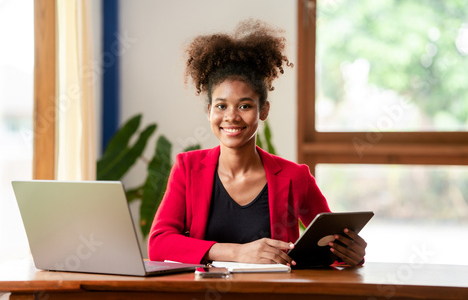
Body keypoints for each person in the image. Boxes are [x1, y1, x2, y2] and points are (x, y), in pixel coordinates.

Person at [148, 20, 367, 267]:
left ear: (263, 110)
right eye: (221, 106)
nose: (231, 116)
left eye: (245, 105)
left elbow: (329, 245)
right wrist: (237, 252)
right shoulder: (188, 167)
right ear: (209, 111)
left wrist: (350, 254)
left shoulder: (296, 177)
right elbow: (159, 244)